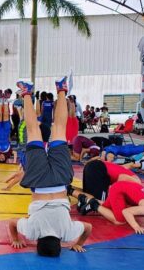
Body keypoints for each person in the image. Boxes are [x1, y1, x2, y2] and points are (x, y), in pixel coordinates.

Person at [8, 77, 92, 255]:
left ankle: (61, 89)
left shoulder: (66, 234)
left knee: (59, 129)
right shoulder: (32, 232)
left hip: (60, 182)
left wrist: (78, 243)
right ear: (38, 242)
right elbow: (12, 223)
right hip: (39, 183)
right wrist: (15, 239)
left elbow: (88, 228)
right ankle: (27, 92)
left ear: (59, 243)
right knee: (33, 131)